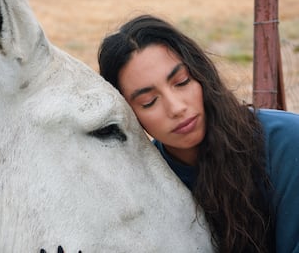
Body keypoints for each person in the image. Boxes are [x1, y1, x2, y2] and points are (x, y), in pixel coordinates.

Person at [98, 14, 299, 253]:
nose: (177, 108)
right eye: (149, 101)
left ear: (201, 74)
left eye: (181, 82)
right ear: (130, 116)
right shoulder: (141, 181)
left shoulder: (288, 143)